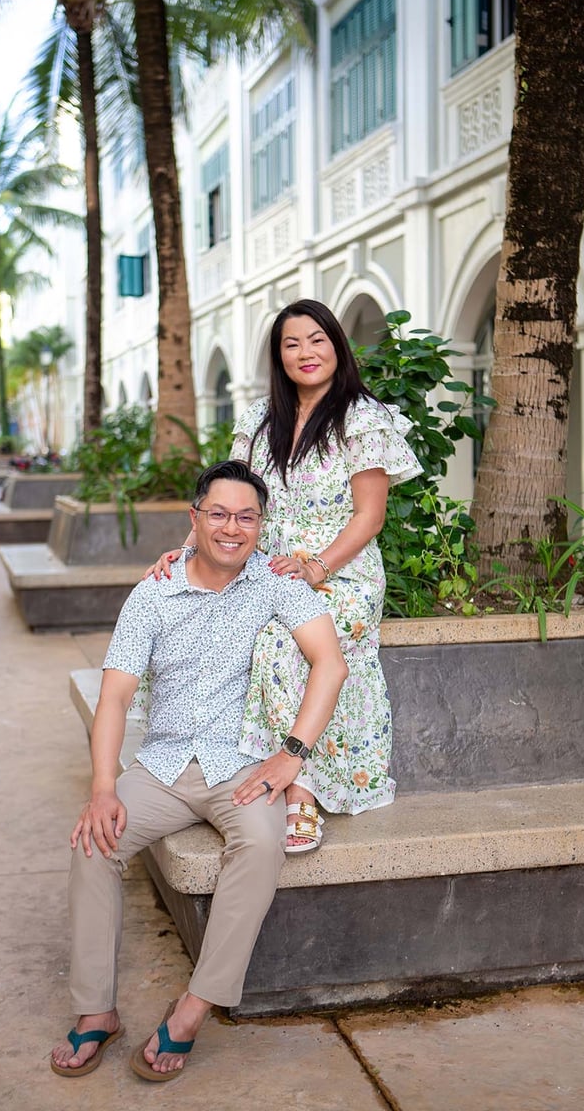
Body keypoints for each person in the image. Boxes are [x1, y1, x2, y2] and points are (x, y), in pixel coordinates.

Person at [51, 460, 347, 1080]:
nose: (232, 528)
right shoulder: (152, 594)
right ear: (195, 519)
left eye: (246, 516)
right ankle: (95, 1011)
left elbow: (331, 663)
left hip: (241, 766)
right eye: (219, 514)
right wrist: (103, 788)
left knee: (263, 841)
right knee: (93, 842)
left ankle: (193, 1008)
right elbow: (115, 697)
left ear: (260, 525)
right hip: (161, 764)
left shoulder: (275, 582)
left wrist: (290, 755)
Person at [147, 299, 420, 853]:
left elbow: (370, 516)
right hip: (264, 566)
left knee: (281, 639)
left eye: (316, 339)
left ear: (336, 346)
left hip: (339, 574)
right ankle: (204, 762)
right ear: (279, 355)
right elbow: (230, 501)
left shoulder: (363, 417)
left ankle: (299, 792)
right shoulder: (257, 421)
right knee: (192, 616)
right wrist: (186, 551)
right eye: (291, 343)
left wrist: (316, 567)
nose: (305, 353)